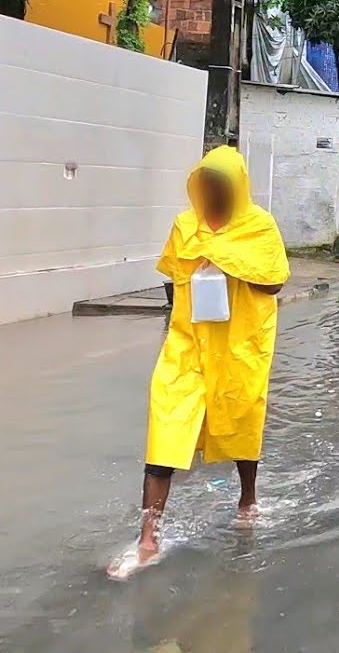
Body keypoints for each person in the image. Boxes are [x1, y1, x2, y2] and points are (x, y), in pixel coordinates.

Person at [109, 146, 290, 580]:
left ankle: (248, 497)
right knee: (165, 430)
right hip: (187, 346)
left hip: (238, 346)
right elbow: (173, 279)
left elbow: (275, 283)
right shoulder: (184, 226)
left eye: (221, 184)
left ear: (238, 186)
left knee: (241, 422)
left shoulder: (259, 227)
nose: (213, 191)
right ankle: (148, 538)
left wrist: (230, 264)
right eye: (206, 183)